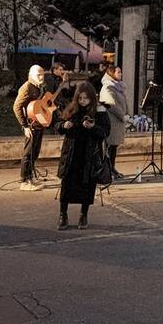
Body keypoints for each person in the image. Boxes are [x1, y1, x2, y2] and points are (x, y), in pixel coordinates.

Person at [55, 81, 110, 230]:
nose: (82, 101)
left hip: (89, 154)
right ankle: (63, 214)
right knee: (67, 184)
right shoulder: (72, 109)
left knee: (87, 185)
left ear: (91, 98)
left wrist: (93, 127)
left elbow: (105, 132)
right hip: (72, 152)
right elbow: (58, 125)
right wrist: (64, 125)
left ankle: (83, 214)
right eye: (80, 98)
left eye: (85, 98)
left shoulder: (99, 111)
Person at [13, 64, 48, 191]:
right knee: (28, 154)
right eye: (38, 75)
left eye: (42, 74)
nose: (41, 77)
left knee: (35, 153)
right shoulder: (27, 87)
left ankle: (30, 178)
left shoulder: (40, 87)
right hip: (31, 125)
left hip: (39, 123)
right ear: (31, 75)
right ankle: (24, 181)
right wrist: (24, 126)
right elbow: (16, 107)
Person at [99, 65, 127, 179]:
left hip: (117, 121)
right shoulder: (108, 87)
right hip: (111, 121)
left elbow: (123, 102)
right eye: (118, 72)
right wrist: (122, 116)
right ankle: (108, 170)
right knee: (109, 147)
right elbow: (111, 104)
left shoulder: (117, 86)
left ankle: (112, 168)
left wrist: (126, 113)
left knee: (114, 147)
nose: (121, 74)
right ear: (112, 73)